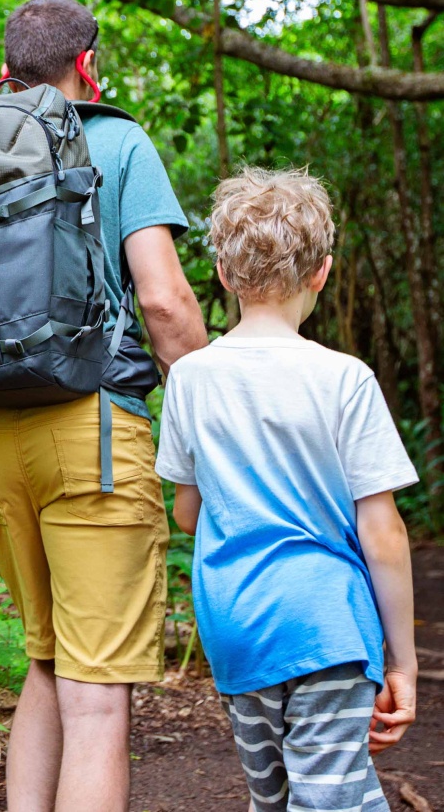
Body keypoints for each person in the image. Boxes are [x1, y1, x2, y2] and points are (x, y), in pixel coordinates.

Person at [0, 0, 208, 812]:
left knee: (44, 662)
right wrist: (218, 431)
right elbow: (167, 307)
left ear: (6, 72)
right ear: (87, 65)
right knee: (97, 695)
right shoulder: (118, 141)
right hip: (94, 435)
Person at [156, 167, 418, 812]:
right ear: (321, 272)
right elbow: (382, 531)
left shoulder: (190, 378)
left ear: (222, 274)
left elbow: (187, 513)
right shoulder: (345, 378)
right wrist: (403, 662)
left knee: (271, 796)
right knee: (331, 798)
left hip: (236, 626)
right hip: (327, 623)